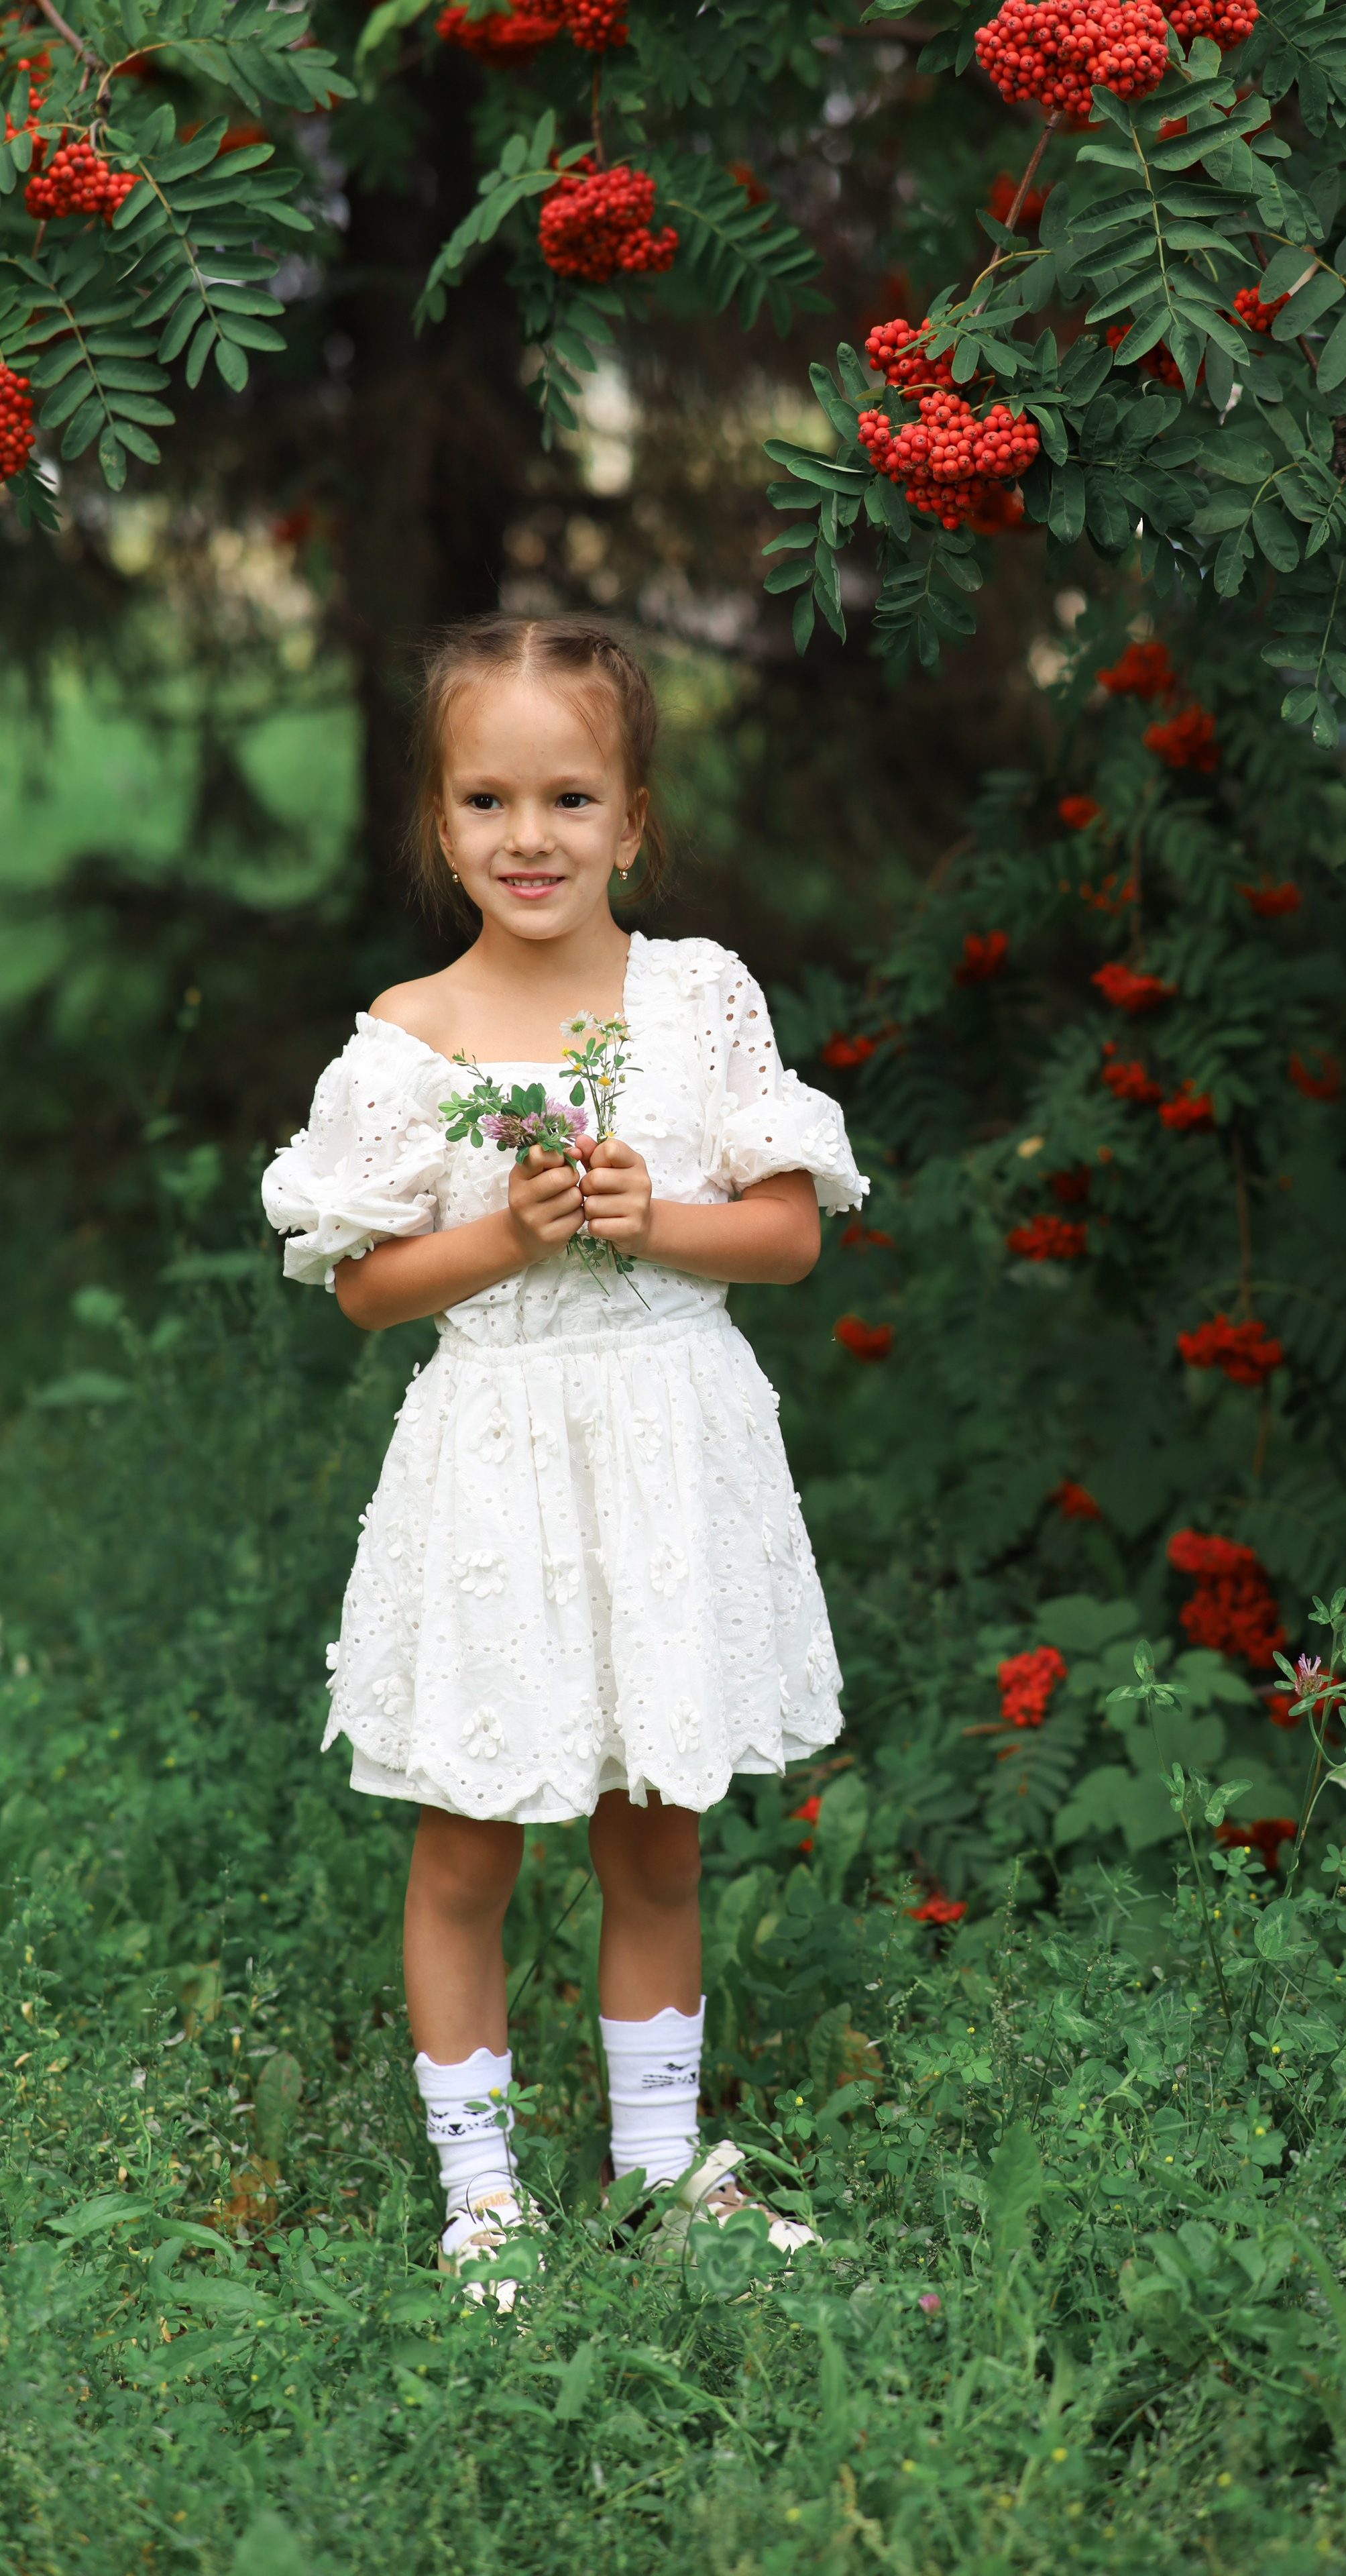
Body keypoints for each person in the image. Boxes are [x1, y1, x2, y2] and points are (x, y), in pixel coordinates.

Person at [262, 612, 866, 2291]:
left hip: (667, 1451)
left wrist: (647, 1216)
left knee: (655, 1823)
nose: (528, 837)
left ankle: (657, 2174)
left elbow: (787, 1237)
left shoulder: (696, 999)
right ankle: (482, 2191)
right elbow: (367, 1290)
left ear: (632, 820)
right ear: (438, 822)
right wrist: (511, 1234)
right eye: (487, 800)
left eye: (570, 799)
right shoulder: (412, 1035)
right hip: (500, 1465)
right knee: (469, 1830)